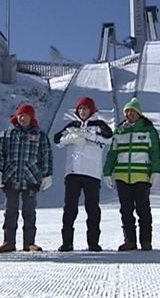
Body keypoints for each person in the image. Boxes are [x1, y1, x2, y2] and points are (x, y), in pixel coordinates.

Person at [54, 97, 113, 252]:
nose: (82, 112)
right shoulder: (72, 125)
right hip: (73, 172)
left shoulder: (99, 125)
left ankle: (93, 242)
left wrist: (89, 136)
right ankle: (67, 242)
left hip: (91, 172)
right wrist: (70, 138)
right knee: (70, 208)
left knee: (92, 208)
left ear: (91, 110)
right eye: (80, 109)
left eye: (85, 108)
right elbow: (57, 139)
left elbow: (109, 138)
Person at [103, 97, 160, 251]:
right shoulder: (120, 131)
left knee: (143, 209)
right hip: (123, 176)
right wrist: (107, 172)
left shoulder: (148, 130)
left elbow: (155, 152)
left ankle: (146, 240)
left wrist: (156, 171)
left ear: (139, 114)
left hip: (141, 175)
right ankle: (130, 240)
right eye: (127, 112)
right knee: (126, 210)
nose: (130, 114)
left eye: (133, 111)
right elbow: (112, 154)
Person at [0, 104, 53, 253]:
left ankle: (29, 242)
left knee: (29, 212)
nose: (23, 118)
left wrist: (47, 174)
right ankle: (8, 241)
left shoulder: (40, 135)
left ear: (31, 118)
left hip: (30, 177)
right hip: (11, 177)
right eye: (20, 115)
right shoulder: (7, 134)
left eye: (26, 115)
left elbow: (46, 156)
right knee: (10, 211)